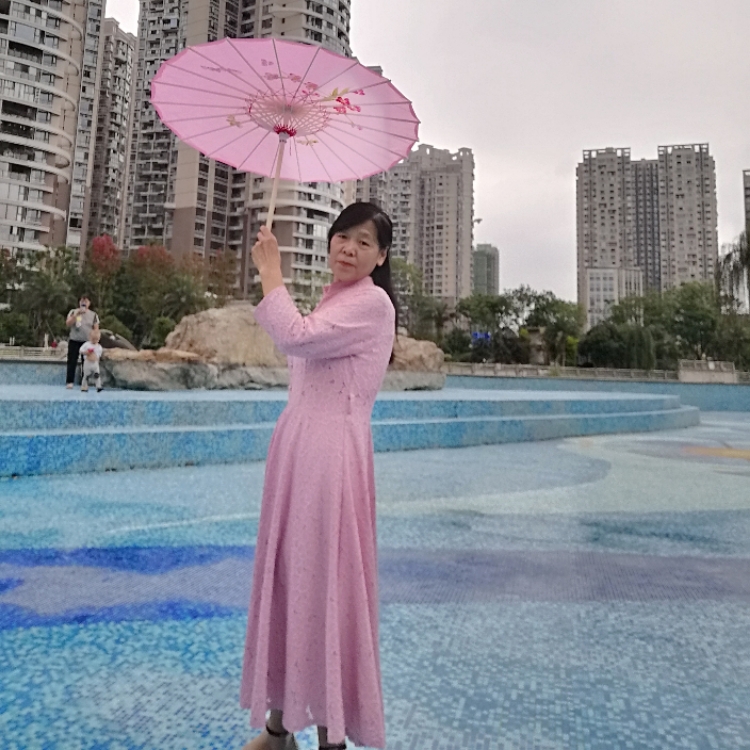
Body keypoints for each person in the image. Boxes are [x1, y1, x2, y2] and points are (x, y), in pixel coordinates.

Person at [241, 202, 398, 750]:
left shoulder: (372, 305)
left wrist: (270, 270)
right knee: (290, 580)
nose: (348, 248)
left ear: (381, 256)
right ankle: (278, 730)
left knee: (328, 585)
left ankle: (332, 739)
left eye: (363, 241)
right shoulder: (336, 301)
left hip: (331, 456)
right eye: (342, 236)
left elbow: (295, 336)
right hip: (298, 450)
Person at [65, 295, 99, 388]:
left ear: (89, 303)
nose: (83, 303)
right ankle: (69, 382)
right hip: (74, 340)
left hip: (87, 342)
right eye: (82, 301)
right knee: (72, 361)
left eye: (86, 301)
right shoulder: (73, 312)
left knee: (87, 362)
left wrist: (95, 342)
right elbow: (68, 323)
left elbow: (96, 329)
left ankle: (85, 382)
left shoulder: (93, 315)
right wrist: (76, 315)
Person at [78, 329, 103, 393]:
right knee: (86, 375)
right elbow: (80, 350)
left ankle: (98, 386)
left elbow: (99, 355)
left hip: (95, 363)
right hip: (87, 362)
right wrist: (85, 352)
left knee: (97, 375)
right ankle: (84, 386)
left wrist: (97, 360)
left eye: (96, 339)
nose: (94, 341)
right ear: (90, 337)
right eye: (93, 339)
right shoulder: (87, 344)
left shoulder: (99, 347)